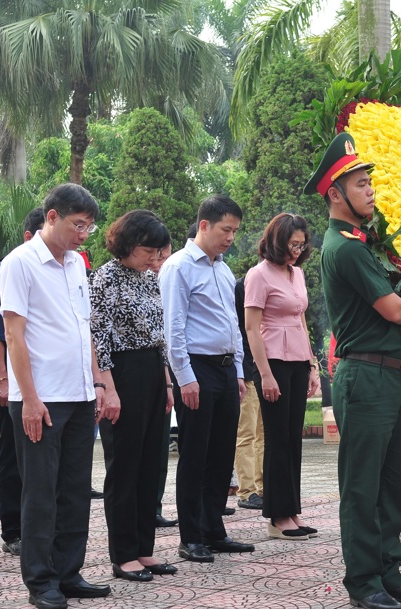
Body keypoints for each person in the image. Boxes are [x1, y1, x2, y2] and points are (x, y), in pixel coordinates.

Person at [306, 132, 401, 609]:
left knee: (394, 484)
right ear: (335, 194)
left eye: (369, 182)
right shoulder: (343, 248)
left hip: (393, 375)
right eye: (360, 183)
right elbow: (396, 311)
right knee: (362, 486)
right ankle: (364, 582)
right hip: (365, 377)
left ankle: (389, 572)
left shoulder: (366, 243)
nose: (370, 191)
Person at [0, 184, 119, 609]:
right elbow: (14, 336)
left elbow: (83, 329)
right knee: (40, 491)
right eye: (78, 224)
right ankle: (40, 580)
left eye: (89, 226)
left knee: (74, 489)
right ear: (52, 217)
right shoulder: (19, 264)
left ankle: (69, 572)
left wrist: (99, 384)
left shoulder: (76, 264)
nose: (84, 233)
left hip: (80, 394)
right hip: (41, 398)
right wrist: (29, 399)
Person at [159, 195, 254, 563]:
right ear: (204, 225)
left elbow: (233, 325)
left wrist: (240, 372)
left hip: (226, 368)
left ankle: (214, 529)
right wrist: (184, 377)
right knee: (195, 454)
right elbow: (173, 328)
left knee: (221, 453)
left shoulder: (223, 269)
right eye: (225, 230)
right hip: (195, 368)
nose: (230, 237)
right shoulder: (179, 267)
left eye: (235, 231)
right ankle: (191, 536)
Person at [90, 210, 178, 582]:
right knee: (124, 467)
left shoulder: (147, 278)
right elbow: (98, 336)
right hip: (121, 374)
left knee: (150, 464)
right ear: (127, 243)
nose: (154, 259)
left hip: (153, 373)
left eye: (158, 253)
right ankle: (123, 553)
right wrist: (106, 387)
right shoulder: (105, 278)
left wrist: (168, 383)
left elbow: (158, 336)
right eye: (147, 251)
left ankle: (145, 549)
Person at [244, 213, 321, 541]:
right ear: (277, 241)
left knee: (293, 439)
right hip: (272, 361)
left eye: (302, 245)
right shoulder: (258, 275)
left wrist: (312, 364)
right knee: (276, 439)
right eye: (292, 244)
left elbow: (301, 320)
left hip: (298, 360)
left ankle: (292, 510)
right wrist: (265, 375)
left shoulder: (298, 274)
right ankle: (277, 517)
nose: (297, 250)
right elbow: (251, 328)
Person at [0, 207, 45, 557]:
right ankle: (13, 530)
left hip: (50, 382)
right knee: (13, 457)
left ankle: (42, 530)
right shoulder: (8, 267)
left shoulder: (64, 268)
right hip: (17, 385)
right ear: (29, 236)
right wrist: (2, 380)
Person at [149, 242, 179, 528]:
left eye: (164, 254)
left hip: (165, 370)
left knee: (159, 447)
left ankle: (154, 505)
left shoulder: (168, 283)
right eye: (155, 254)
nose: (159, 260)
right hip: (139, 373)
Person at [234, 275, 264, 511]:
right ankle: (247, 491)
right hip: (246, 371)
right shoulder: (241, 287)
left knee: (264, 434)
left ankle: (263, 487)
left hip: (266, 371)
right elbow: (240, 332)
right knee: (246, 433)